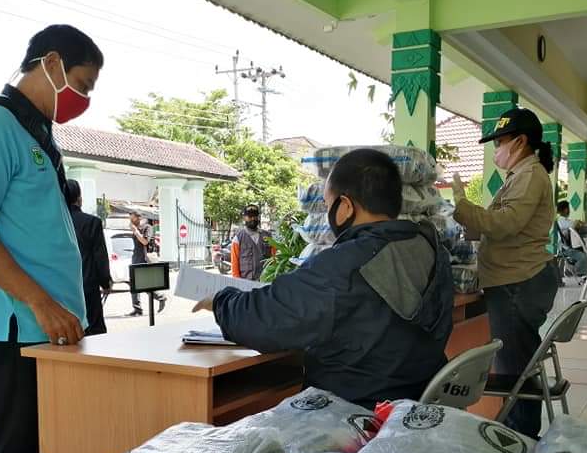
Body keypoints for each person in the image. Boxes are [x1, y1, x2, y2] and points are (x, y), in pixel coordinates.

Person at [194, 148, 454, 409]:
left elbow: (266, 317)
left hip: (355, 416)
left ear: (346, 206)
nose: (328, 215)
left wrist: (221, 300)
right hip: (413, 408)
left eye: (329, 206)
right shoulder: (430, 248)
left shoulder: (347, 263)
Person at [0, 24, 101, 453]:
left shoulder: (35, 131)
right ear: (51, 64)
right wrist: (41, 302)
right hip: (23, 325)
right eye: (82, 84)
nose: (84, 99)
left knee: (56, 452)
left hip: (53, 325)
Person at [450, 107, 559, 439]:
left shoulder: (529, 176)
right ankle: (521, 430)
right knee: (520, 361)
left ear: (520, 142)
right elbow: (502, 225)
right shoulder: (523, 175)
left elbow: (505, 224)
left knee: (516, 368)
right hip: (516, 279)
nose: (496, 150)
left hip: (517, 283)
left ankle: (522, 436)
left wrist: (462, 205)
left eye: (499, 142)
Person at [67, 178, 112, 335]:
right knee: (94, 334)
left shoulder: (53, 223)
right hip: (88, 287)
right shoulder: (92, 222)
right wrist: (105, 282)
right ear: (79, 199)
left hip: (62, 289)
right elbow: (100, 257)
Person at [128, 210, 167, 316]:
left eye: (132, 217)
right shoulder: (135, 229)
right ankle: (137, 309)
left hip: (144, 260)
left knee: (143, 285)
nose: (130, 220)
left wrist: (136, 231)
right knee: (134, 285)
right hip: (136, 258)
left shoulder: (147, 227)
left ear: (138, 217)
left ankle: (161, 297)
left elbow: (145, 241)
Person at [230, 205, 273, 281]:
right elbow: (234, 265)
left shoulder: (268, 236)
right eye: (250, 216)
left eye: (255, 216)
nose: (253, 218)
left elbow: (274, 259)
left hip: (266, 282)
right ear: (244, 218)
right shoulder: (238, 239)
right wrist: (237, 283)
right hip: (246, 284)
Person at [556, 200, 587, 277]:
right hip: (564, 249)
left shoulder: (562, 221)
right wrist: (578, 222)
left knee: (586, 254)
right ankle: (577, 272)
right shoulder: (562, 221)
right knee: (585, 257)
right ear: (566, 209)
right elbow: (574, 225)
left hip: (566, 247)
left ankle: (572, 269)